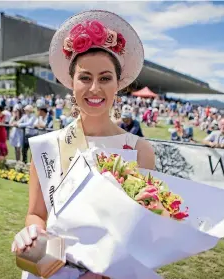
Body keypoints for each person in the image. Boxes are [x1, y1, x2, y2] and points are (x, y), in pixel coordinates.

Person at [11, 10, 154, 279]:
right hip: (50, 270)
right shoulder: (46, 146)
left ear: (118, 83)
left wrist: (108, 272)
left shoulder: (140, 151)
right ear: (71, 82)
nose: (95, 89)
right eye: (85, 78)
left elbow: (142, 231)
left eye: (105, 78)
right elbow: (35, 214)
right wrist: (32, 232)